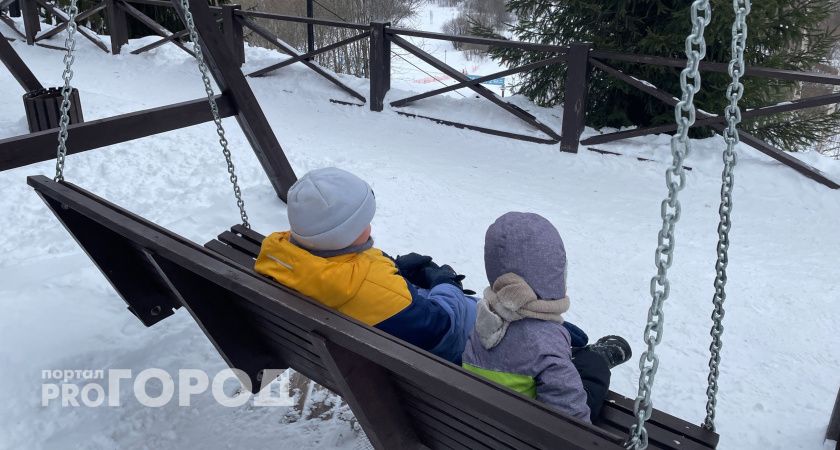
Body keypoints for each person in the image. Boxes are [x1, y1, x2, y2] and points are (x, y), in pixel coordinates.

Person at [255, 167, 477, 365]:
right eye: (362, 223)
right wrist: (446, 282)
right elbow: (443, 328)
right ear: (343, 234)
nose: (369, 227)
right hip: (464, 346)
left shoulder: (281, 257)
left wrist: (393, 268)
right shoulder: (374, 291)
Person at [462, 212, 632, 423]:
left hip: (481, 426)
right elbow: (572, 421)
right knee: (591, 369)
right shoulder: (544, 342)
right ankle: (598, 357)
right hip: (527, 435)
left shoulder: (485, 319)